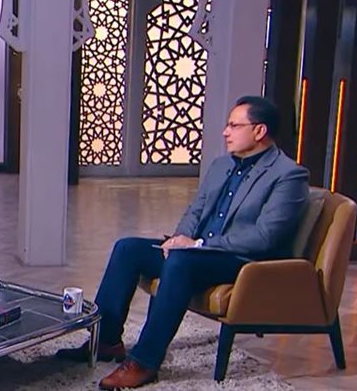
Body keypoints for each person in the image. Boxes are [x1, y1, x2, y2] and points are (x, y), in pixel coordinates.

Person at [56, 96, 309, 390]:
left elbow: (266, 237)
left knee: (181, 262)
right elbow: (195, 211)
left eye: (234, 125)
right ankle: (106, 341)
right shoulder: (222, 165)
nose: (225, 132)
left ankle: (144, 362)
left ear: (259, 131)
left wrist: (197, 244)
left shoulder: (288, 175)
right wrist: (179, 239)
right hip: (197, 252)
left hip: (242, 260)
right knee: (128, 249)